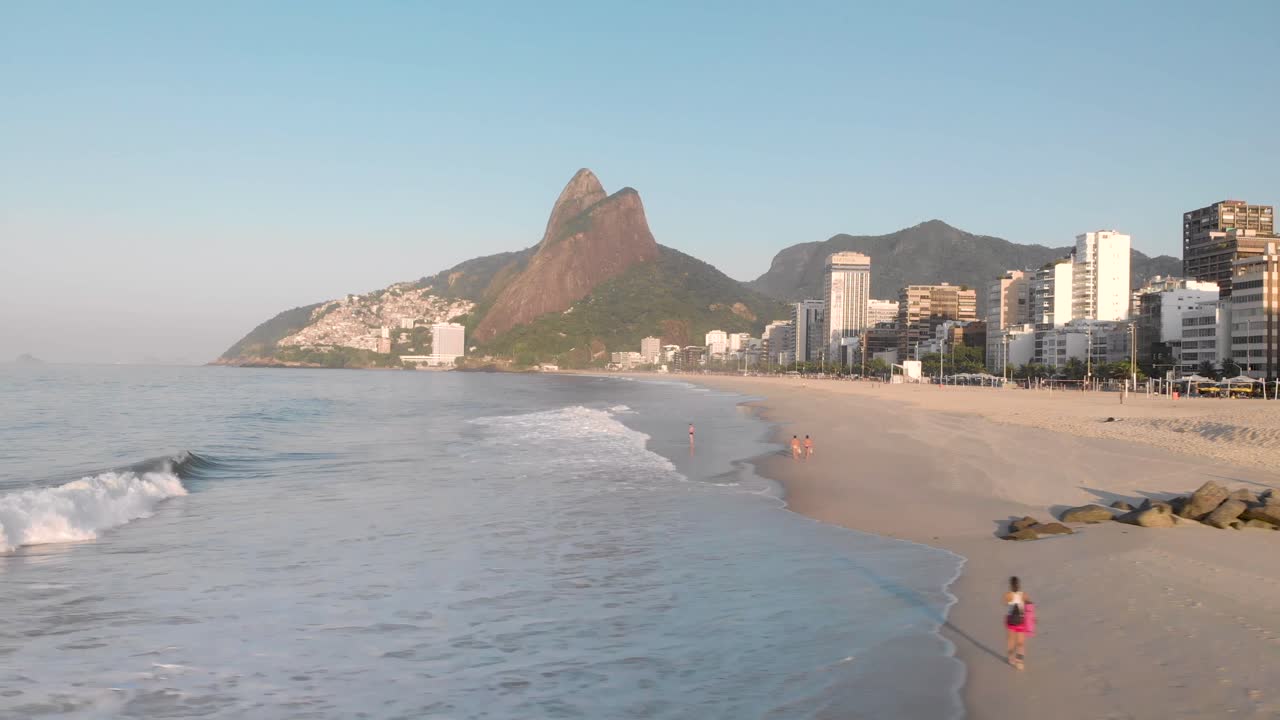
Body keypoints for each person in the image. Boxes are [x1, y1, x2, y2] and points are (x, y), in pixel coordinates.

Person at [1004, 576, 1032, 670]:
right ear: (1019, 584)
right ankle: (1019, 662)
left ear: (1011, 585)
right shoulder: (1023, 595)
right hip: (1020, 621)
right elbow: (1029, 605)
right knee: (1021, 643)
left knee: (1011, 641)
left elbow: (1005, 602)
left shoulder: (1008, 595)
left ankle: (1010, 658)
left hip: (1011, 621)